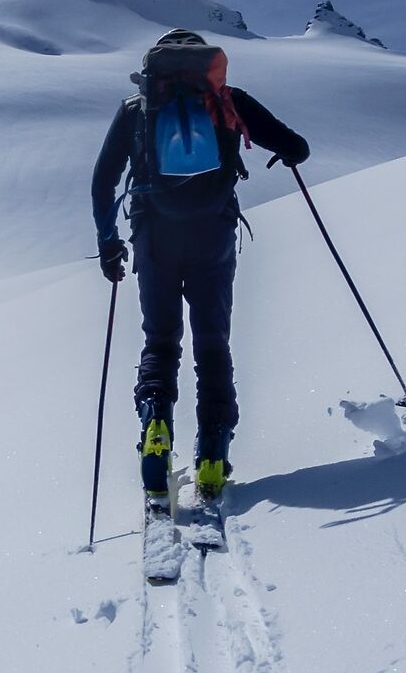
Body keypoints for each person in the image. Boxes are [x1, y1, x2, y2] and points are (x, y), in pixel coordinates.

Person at [90, 29, 309, 509]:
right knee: (213, 342)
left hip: (154, 237)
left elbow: (103, 180)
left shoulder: (137, 109)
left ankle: (155, 428)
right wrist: (285, 151)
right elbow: (296, 145)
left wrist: (109, 245)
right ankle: (213, 452)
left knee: (160, 340)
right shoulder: (228, 101)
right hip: (213, 233)